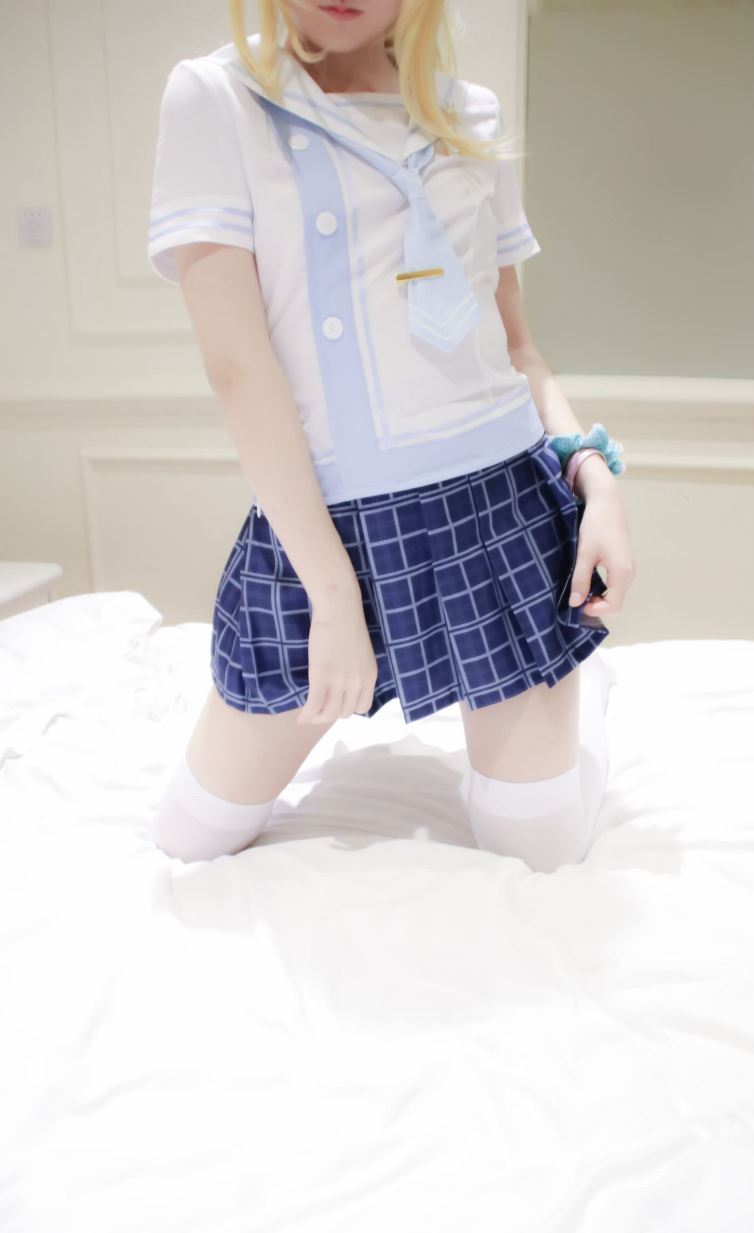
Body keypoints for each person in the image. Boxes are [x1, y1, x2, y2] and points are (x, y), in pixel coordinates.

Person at [148, 0, 636, 872]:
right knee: (193, 834)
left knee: (539, 847)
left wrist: (593, 474)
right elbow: (238, 369)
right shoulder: (216, 99)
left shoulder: (469, 115)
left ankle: (575, 693)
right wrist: (333, 601)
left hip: (501, 507)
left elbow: (515, 347)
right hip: (325, 532)